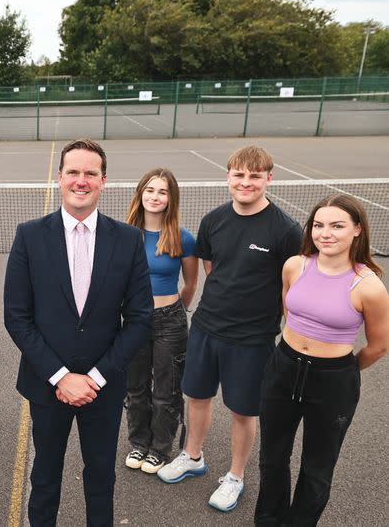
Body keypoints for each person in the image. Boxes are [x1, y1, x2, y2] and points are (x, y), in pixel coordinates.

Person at [4, 138, 153, 526]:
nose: (81, 180)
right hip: (47, 385)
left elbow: (140, 318)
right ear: (60, 178)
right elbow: (17, 317)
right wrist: (61, 377)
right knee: (44, 477)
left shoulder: (128, 239)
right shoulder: (30, 235)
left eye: (90, 173)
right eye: (73, 172)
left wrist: (95, 378)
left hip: (103, 389)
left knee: (101, 478)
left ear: (104, 181)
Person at [157, 145, 302, 513]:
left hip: (252, 339)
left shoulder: (286, 230)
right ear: (228, 177)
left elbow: (291, 286)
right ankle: (192, 456)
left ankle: (235, 476)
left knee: (243, 411)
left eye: (255, 176)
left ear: (269, 178)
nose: (246, 182)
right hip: (206, 326)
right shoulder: (213, 220)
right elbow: (213, 269)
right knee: (197, 397)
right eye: (239, 175)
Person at [255, 194, 389, 526]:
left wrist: (341, 373)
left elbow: (379, 345)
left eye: (337, 225)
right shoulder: (295, 265)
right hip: (282, 367)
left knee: (317, 468)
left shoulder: (369, 286)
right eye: (318, 225)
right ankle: (268, 519)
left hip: (333, 381)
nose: (325, 233)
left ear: (357, 230)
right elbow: (291, 311)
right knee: (272, 457)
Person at [123, 168, 198, 474]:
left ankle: (160, 448)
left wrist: (174, 312)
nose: (155, 197)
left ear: (171, 198)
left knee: (165, 390)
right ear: (140, 193)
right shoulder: (124, 233)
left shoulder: (183, 237)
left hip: (170, 320)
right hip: (134, 320)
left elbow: (191, 284)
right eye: (150, 190)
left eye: (163, 192)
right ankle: (139, 443)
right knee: (136, 388)